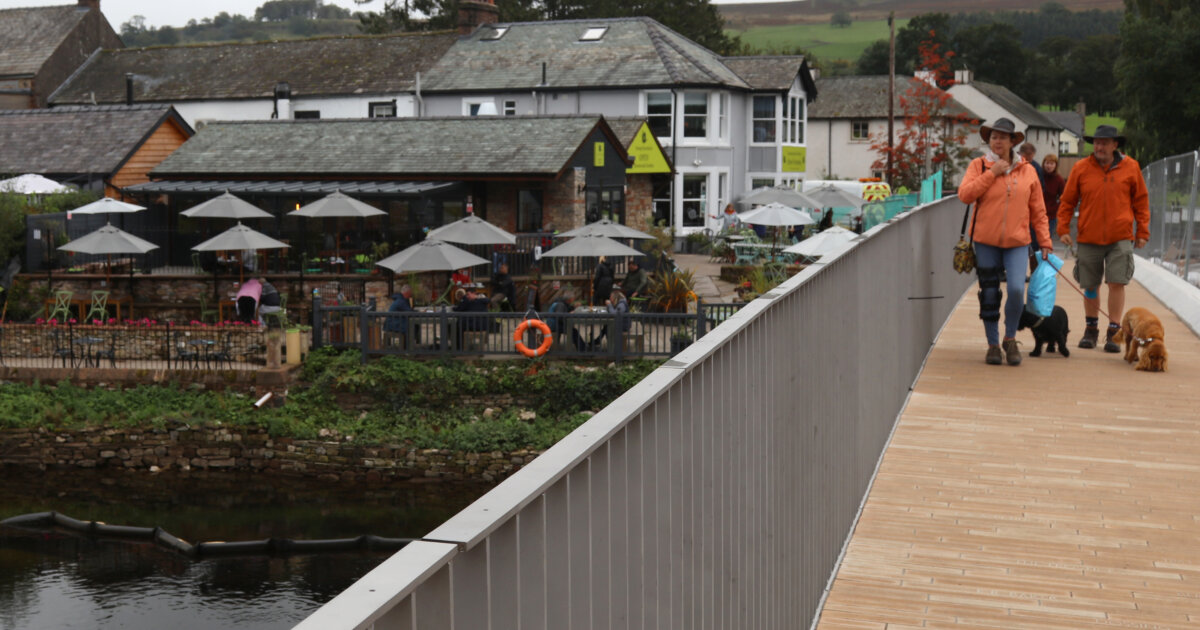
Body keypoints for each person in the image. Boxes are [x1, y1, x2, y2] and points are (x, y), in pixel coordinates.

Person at [957, 118, 1053, 366]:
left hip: (1018, 241)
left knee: (1017, 289)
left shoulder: (1029, 170)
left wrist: (1045, 242)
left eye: (1002, 137)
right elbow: (965, 195)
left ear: (1012, 142)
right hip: (985, 240)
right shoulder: (979, 166)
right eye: (993, 137)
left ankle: (1010, 338)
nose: (997, 141)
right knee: (989, 293)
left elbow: (1039, 211)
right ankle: (992, 344)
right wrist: (992, 174)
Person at [1056, 124, 1149, 352]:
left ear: (1115, 145)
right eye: (1097, 142)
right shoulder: (1081, 168)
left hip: (1121, 236)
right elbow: (1067, 202)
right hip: (1089, 236)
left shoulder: (1131, 167)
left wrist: (1143, 232)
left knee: (1117, 282)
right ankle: (1091, 329)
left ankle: (1114, 331)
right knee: (1090, 284)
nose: (1099, 146)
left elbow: (1141, 202)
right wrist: (1063, 229)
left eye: (1105, 142)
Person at [1041, 154, 1066, 244]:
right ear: (1044, 164)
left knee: (1046, 240)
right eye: (1047, 163)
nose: (1049, 166)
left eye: (1052, 164)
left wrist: (1056, 207)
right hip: (1036, 214)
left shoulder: (1059, 180)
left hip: (1050, 215)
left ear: (1055, 165)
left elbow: (1064, 197)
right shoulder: (1039, 176)